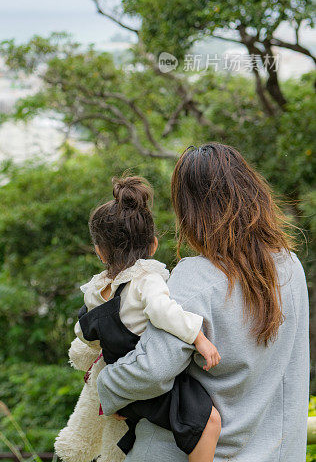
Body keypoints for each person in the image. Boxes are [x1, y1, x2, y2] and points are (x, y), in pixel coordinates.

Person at [97, 143, 310, 462]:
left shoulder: (196, 276)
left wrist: (105, 384)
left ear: (190, 210)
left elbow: (153, 370)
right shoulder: (290, 267)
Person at [55, 175, 221, 462]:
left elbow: (84, 332)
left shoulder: (95, 290)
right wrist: (199, 337)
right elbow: (163, 311)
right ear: (154, 245)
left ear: (99, 250)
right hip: (145, 380)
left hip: (121, 380)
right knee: (209, 422)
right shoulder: (147, 279)